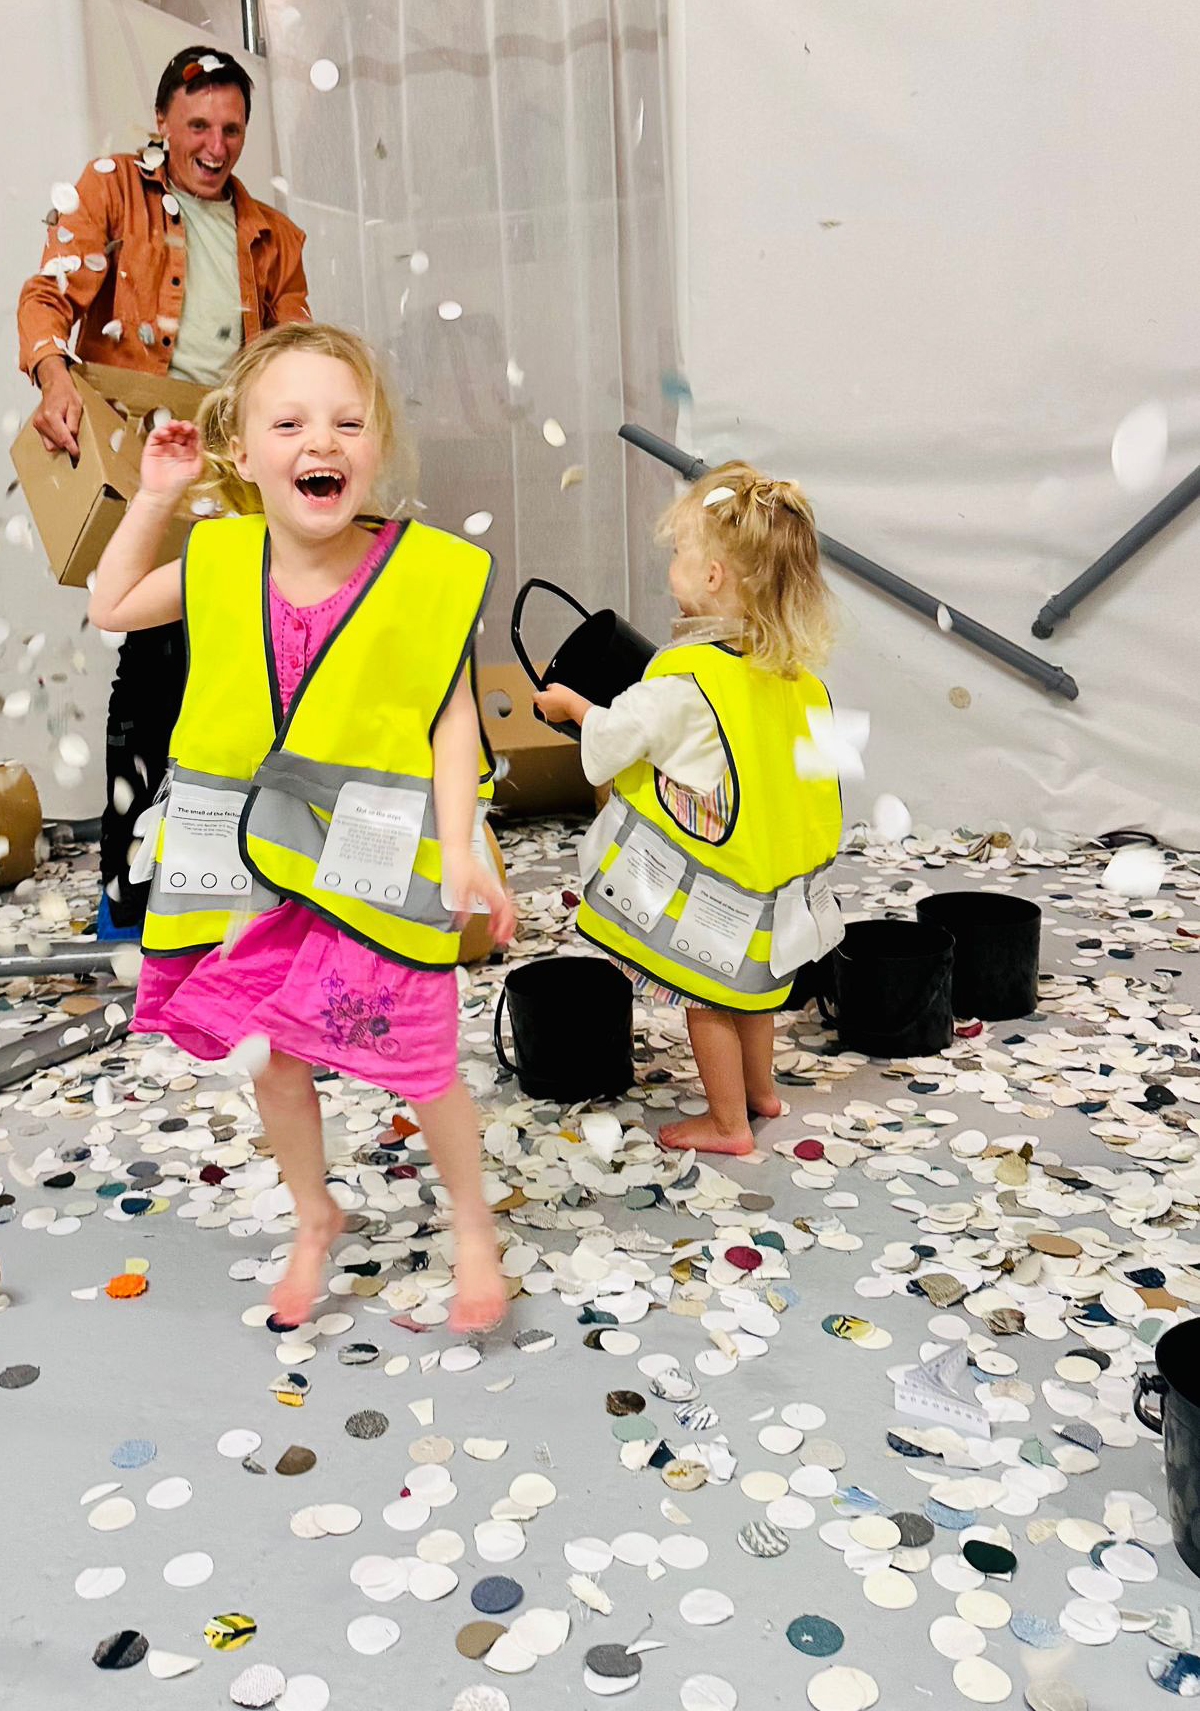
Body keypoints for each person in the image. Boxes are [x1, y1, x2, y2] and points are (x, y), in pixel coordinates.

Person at [88, 320, 516, 1330]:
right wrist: (155, 496)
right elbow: (110, 604)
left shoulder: (420, 573)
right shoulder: (222, 555)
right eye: (289, 421)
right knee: (278, 1057)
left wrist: (463, 846)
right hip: (260, 860)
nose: (320, 440)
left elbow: (449, 715)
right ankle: (314, 1210)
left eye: (347, 422)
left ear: (376, 449)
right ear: (243, 452)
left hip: (369, 852)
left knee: (421, 1060)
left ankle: (471, 1226)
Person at [16, 47, 311, 932]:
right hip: (150, 450)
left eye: (230, 129)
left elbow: (294, 358)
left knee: (246, 662)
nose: (215, 146)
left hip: (235, 461)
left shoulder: (275, 234)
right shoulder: (112, 188)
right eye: (198, 127)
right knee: (152, 656)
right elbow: (48, 295)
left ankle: (230, 873)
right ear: (162, 123)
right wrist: (52, 375)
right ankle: (126, 888)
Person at [535, 460, 844, 1156]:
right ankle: (762, 1092)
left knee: (707, 998)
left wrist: (570, 706)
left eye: (680, 553)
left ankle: (729, 1123)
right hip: (774, 882)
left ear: (712, 578)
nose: (670, 564)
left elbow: (613, 738)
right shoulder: (793, 676)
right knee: (757, 993)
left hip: (713, 892)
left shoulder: (683, 679)